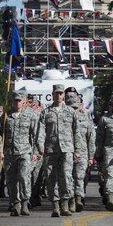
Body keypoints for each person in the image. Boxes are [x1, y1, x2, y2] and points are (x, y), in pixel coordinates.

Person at [37, 84, 82, 218]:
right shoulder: (46, 112)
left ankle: (65, 204)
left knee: (66, 177)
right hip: (50, 150)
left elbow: (76, 131)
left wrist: (77, 149)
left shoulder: (70, 112)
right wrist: (40, 145)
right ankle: (55, 206)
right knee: (51, 179)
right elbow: (41, 131)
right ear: (53, 94)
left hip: (67, 149)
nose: (59, 96)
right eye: (56, 93)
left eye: (61, 93)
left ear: (63, 95)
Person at [0, 90, 39, 217]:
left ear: (24, 102)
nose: (17, 103)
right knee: (11, 181)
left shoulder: (31, 116)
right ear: (12, 102)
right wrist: (0, 151)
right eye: (15, 101)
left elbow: (36, 134)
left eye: (20, 101)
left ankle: (25, 202)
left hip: (24, 152)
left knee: (24, 178)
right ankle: (15, 203)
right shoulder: (6, 116)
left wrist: (35, 151)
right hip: (9, 153)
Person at [66, 91, 95, 212]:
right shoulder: (64, 119)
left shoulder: (86, 118)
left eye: (75, 108)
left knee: (79, 177)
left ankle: (78, 199)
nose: (74, 110)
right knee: (68, 178)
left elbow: (91, 138)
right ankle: (71, 199)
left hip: (82, 153)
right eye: (71, 108)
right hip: (67, 152)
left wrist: (91, 156)